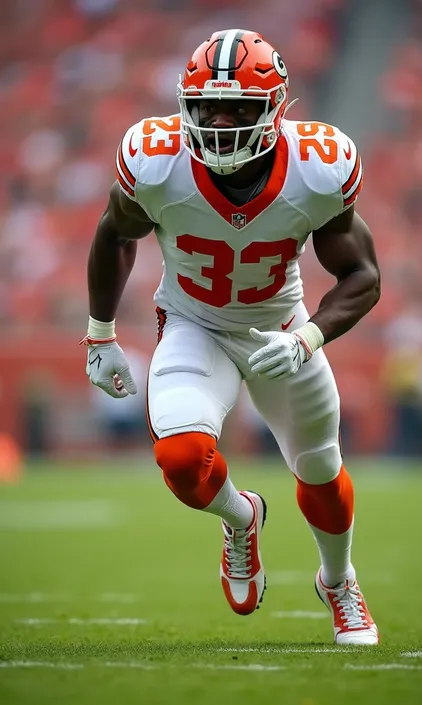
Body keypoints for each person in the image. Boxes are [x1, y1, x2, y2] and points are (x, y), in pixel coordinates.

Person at [82, 29, 381, 645]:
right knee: (182, 459)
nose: (221, 121)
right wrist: (100, 334)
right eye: (207, 107)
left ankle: (339, 580)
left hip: (282, 328)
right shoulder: (156, 160)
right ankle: (242, 517)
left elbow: (362, 276)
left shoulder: (318, 167)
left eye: (241, 106)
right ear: (185, 106)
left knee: (321, 468)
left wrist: (309, 339)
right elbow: (115, 234)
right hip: (195, 324)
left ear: (275, 107)